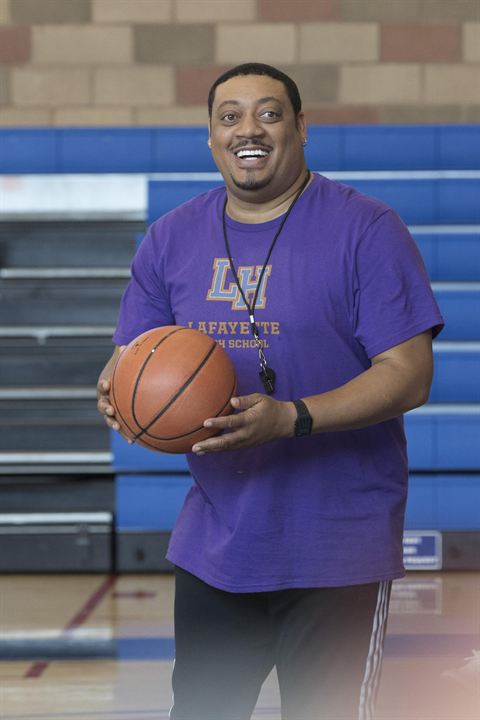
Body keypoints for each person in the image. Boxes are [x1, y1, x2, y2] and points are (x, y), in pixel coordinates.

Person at [97, 63, 444, 720]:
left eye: (268, 113)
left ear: (300, 127)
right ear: (210, 136)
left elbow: (409, 373)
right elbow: (130, 361)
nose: (247, 130)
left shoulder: (366, 230)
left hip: (338, 548)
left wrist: (292, 418)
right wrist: (116, 392)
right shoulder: (170, 238)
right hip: (217, 545)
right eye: (229, 116)